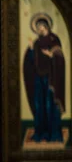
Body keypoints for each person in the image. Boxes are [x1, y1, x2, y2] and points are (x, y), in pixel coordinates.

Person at [23, 14, 65, 143]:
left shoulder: (54, 39)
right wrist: (30, 49)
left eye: (41, 26)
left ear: (46, 26)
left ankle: (54, 134)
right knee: (39, 106)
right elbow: (30, 62)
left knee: (49, 105)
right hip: (38, 79)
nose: (39, 29)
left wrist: (51, 55)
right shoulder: (36, 43)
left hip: (50, 79)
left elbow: (60, 57)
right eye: (37, 27)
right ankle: (41, 133)